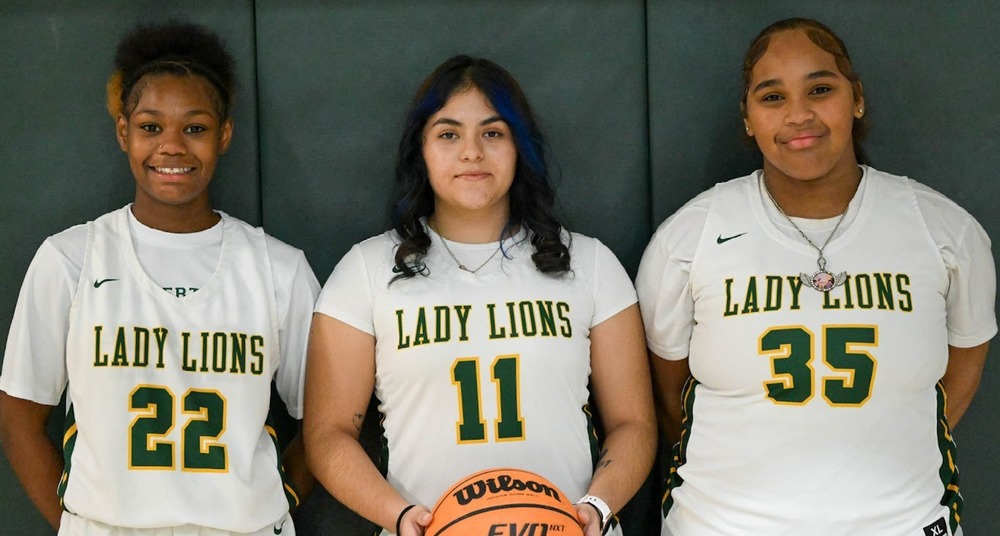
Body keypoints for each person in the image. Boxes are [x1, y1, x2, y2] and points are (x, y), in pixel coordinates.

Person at [635, 17, 995, 536]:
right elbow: (672, 400)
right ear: (747, 118)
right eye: (772, 97)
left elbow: (960, 376)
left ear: (857, 99)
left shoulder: (945, 231)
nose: (799, 115)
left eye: (820, 89)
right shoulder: (688, 238)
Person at [304, 55, 656, 536]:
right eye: (448, 134)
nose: (471, 152)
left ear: (519, 147)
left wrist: (596, 507)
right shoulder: (366, 270)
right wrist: (400, 517)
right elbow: (328, 433)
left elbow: (634, 422)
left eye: (492, 133)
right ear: (421, 149)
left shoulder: (590, 263)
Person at [0, 21, 319, 535]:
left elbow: (328, 422)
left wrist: (280, 503)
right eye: (151, 127)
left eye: (194, 128)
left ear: (224, 134)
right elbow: (19, 416)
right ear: (123, 131)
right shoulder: (70, 259)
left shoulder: (278, 269)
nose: (172, 146)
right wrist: (74, 526)